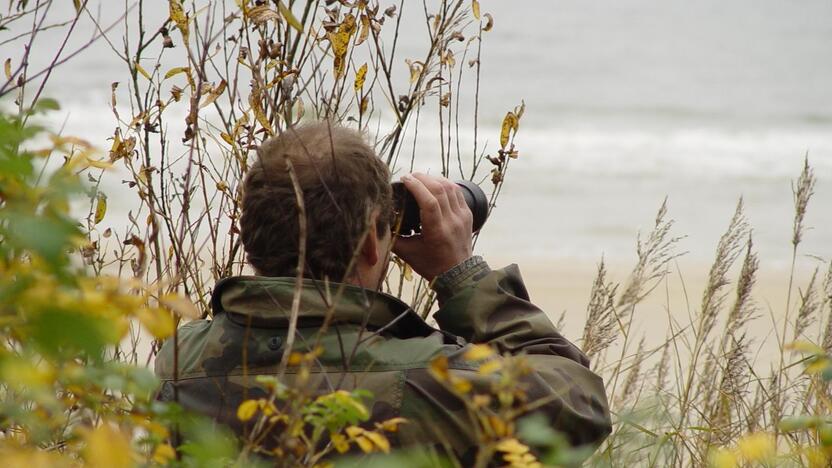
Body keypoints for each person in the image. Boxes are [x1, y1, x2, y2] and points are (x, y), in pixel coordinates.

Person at [154, 122, 611, 462]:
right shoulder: (432, 383)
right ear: (373, 243)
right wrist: (461, 273)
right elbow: (580, 406)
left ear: (249, 235)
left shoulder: (179, 366)